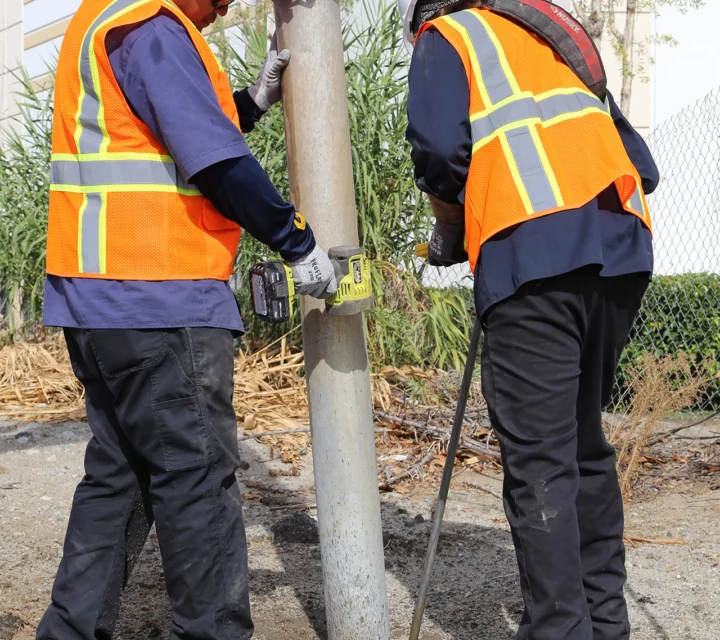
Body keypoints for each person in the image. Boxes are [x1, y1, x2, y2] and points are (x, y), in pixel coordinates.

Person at [38, 1, 336, 638]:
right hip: (158, 297)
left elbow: (152, 136)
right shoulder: (151, 26)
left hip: (96, 301)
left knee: (118, 477)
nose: (227, 3)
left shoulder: (104, 19)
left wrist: (248, 105)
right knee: (196, 481)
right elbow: (211, 160)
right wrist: (295, 240)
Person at [399, 0, 659, 638]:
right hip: (621, 250)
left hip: (532, 253)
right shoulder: (558, 35)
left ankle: (560, 631)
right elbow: (643, 166)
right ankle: (604, 625)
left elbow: (437, 148)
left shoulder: (447, 34)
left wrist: (450, 230)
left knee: (542, 462)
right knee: (582, 447)